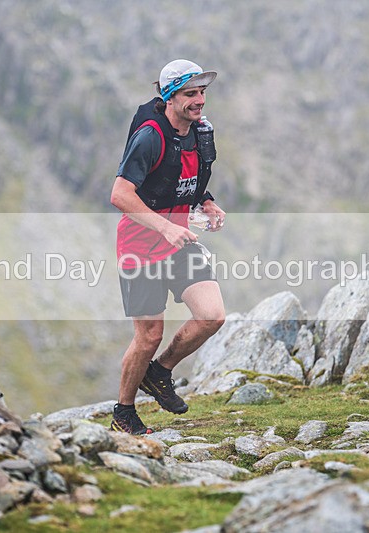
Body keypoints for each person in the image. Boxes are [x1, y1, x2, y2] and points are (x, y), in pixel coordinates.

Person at [109, 59, 226, 435]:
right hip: (140, 247)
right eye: (191, 93)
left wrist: (207, 202)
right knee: (148, 336)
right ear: (170, 97)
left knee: (212, 316)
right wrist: (164, 226)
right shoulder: (150, 137)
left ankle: (159, 372)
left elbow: (184, 177)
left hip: (179, 241)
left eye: (202, 92)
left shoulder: (200, 132)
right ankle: (124, 413)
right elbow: (120, 194)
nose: (200, 100)